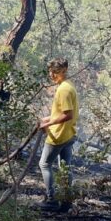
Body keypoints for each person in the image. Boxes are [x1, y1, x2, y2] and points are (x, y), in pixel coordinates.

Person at [39, 58, 78, 212]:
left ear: (64, 70)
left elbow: (68, 115)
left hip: (59, 135)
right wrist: (47, 119)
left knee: (44, 164)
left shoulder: (64, 90)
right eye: (50, 71)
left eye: (55, 71)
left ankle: (51, 200)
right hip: (69, 133)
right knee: (65, 168)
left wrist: (48, 124)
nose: (52, 75)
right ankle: (67, 201)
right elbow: (62, 112)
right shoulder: (68, 85)